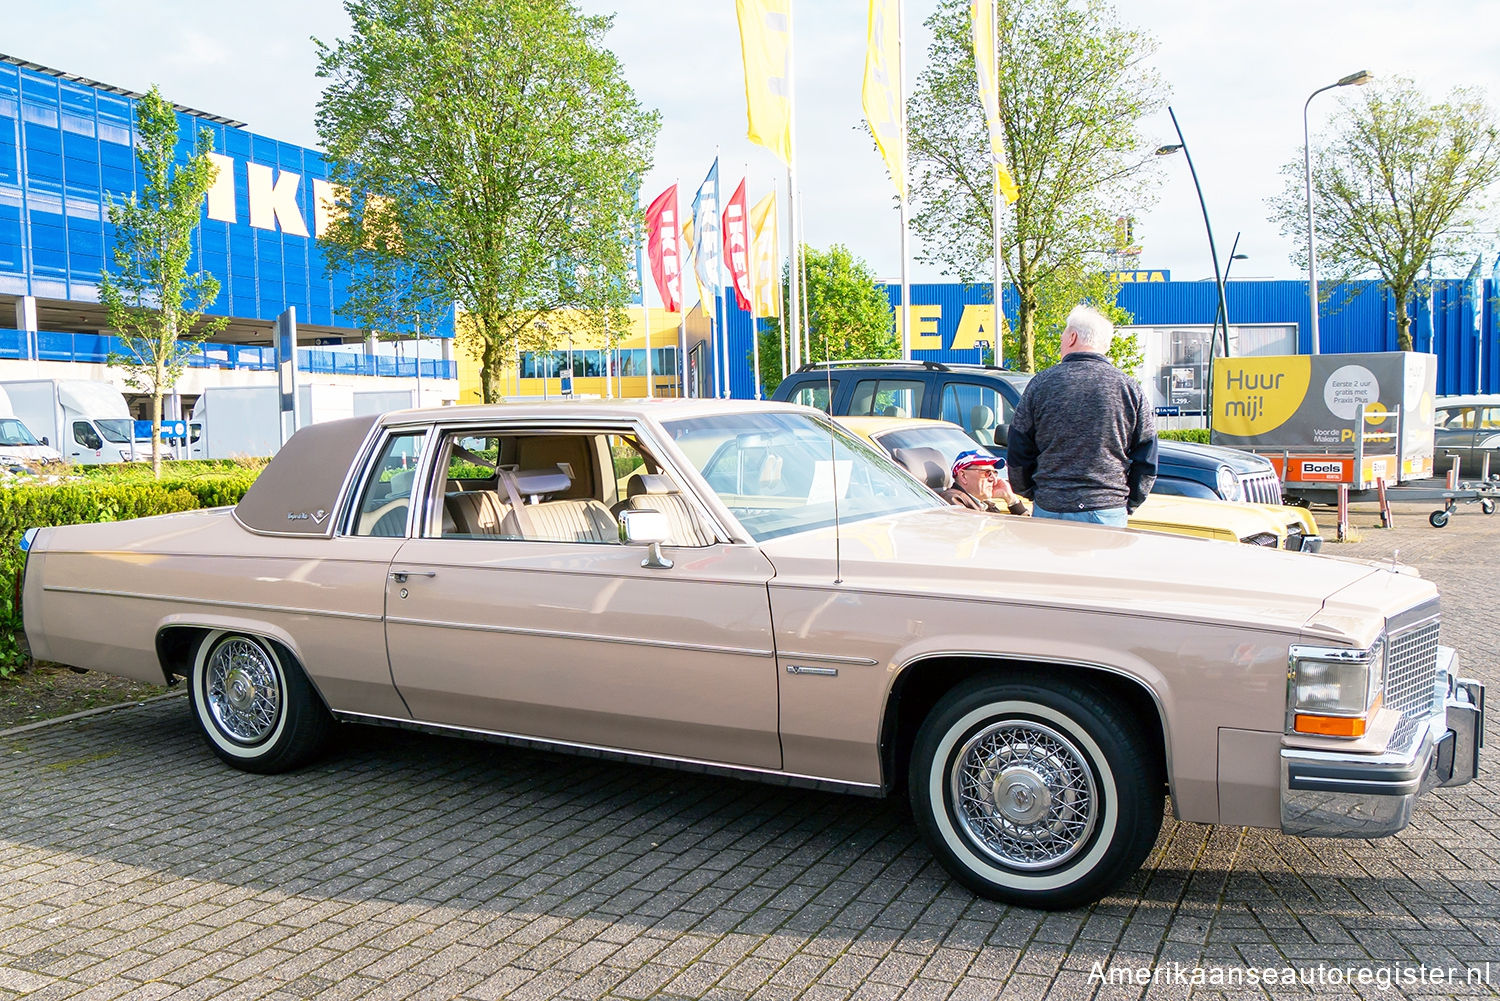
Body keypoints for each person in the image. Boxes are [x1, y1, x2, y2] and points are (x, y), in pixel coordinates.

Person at [1006, 304, 1156, 526]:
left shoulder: (1041, 384)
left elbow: (1019, 446)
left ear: (1073, 337)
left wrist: (1031, 491)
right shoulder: (1128, 387)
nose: (1061, 340)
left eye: (1063, 334)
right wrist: (1129, 501)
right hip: (1107, 508)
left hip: (1051, 507)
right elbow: (1147, 454)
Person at [941, 449, 1028, 515]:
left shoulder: (982, 503)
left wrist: (1010, 498)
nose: (994, 479)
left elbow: (1024, 531)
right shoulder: (953, 499)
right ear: (963, 476)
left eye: (995, 473)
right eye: (987, 473)